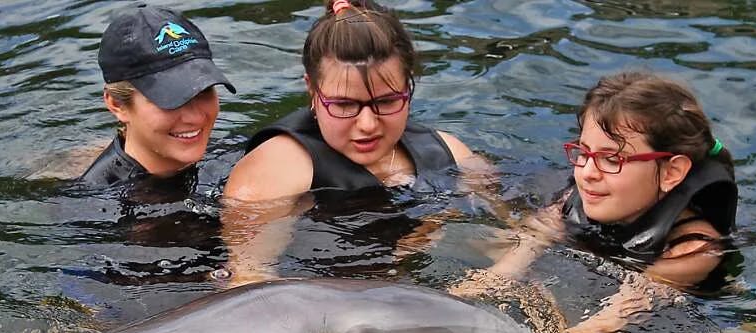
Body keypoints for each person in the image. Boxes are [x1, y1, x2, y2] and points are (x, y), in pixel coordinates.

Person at [452, 71, 738, 333]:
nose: (587, 172)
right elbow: (513, 263)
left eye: (612, 159)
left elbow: (610, 320)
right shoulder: (569, 202)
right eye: (584, 153)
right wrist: (453, 302)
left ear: (671, 172)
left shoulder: (694, 248)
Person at [221, 0, 489, 284]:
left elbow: (509, 233)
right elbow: (248, 283)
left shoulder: (451, 154)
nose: (367, 125)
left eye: (387, 101)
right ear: (312, 88)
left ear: (408, 88)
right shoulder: (276, 171)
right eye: (344, 105)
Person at [79, 5, 237, 189]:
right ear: (117, 105)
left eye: (203, 90)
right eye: (170, 98)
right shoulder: (93, 209)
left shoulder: (240, 153)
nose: (195, 117)